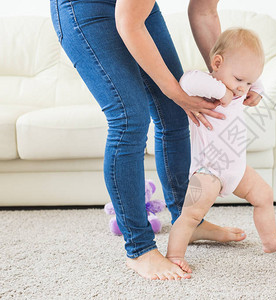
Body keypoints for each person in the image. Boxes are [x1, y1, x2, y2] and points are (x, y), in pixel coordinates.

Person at [49, 0, 262, 281]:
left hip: (136, 9)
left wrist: (233, 81)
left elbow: (204, 11)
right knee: (130, 117)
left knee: (174, 111)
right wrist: (176, 91)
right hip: (86, 7)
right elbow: (128, 23)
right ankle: (139, 249)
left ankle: (188, 221)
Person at [165, 28, 276, 273]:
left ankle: (269, 241)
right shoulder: (206, 86)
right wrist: (221, 92)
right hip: (207, 171)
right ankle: (174, 255)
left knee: (264, 195)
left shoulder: (240, 85)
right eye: (239, 81)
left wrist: (257, 90)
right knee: (191, 215)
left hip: (235, 168)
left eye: (247, 83)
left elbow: (253, 79)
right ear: (217, 63)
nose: (241, 89)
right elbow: (187, 80)